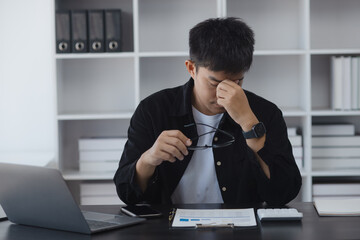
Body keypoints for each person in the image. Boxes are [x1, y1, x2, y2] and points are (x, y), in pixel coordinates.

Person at [114, 17, 302, 206]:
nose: (224, 94)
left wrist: (249, 123)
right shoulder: (153, 110)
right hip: (168, 228)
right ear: (191, 69)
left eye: (237, 82)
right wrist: (149, 159)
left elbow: (284, 193)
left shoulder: (265, 113)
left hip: (241, 229)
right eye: (215, 83)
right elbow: (127, 194)